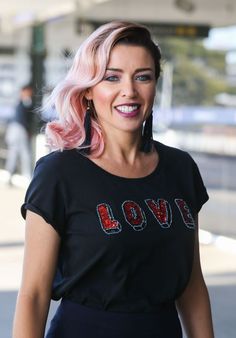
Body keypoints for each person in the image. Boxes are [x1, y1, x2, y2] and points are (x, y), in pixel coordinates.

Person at [13, 21, 214, 338]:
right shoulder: (59, 173)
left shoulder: (180, 168)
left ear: (154, 86)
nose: (129, 91)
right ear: (89, 90)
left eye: (143, 77)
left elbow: (191, 284)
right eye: (112, 77)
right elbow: (33, 295)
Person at [5, 84, 33, 184]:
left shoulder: (20, 101)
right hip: (18, 129)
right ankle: (28, 177)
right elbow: (22, 118)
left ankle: (10, 175)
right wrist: (27, 131)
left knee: (14, 153)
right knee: (24, 154)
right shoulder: (24, 101)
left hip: (13, 130)